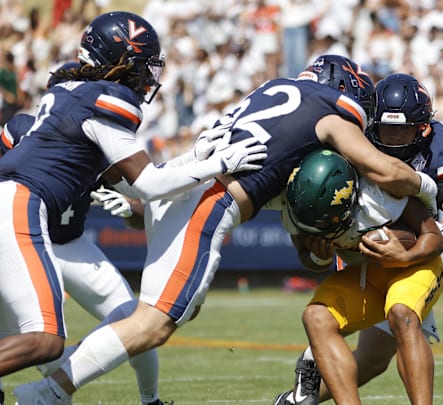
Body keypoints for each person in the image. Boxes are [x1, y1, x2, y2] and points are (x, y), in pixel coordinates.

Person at [14, 54, 438, 403]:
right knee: (154, 323)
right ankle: (50, 390)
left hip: (187, 182)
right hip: (212, 199)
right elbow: (382, 169)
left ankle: (58, 375)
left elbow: (293, 217)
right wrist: (426, 186)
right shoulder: (331, 111)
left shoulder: (273, 91)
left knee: (175, 312)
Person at [1, 10, 266, 402]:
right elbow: (149, 184)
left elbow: (133, 181)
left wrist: (191, 161)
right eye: (142, 65)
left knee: (42, 339)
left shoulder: (72, 94)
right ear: (117, 62)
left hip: (26, 210)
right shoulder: (105, 102)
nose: (147, 77)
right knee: (44, 341)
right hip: (20, 206)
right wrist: (217, 164)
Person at [274, 72, 443, 404]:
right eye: (387, 128)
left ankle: (307, 380)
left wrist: (411, 251)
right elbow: (307, 253)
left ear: (422, 127)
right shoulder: (344, 147)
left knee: (385, 340)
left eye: (403, 129)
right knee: (354, 345)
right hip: (360, 256)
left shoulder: (434, 152)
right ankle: (300, 396)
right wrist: (320, 254)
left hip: (411, 253)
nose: (394, 138)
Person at [0, 112, 169, 405]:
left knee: (136, 320)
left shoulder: (102, 149)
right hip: (17, 241)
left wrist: (130, 209)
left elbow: (145, 209)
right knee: (35, 342)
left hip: (70, 246)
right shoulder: (23, 130)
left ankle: (150, 400)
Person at [277, 147, 443, 405]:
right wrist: (320, 258)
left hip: (413, 267)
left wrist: (404, 257)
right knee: (316, 317)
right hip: (366, 273)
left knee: (401, 314)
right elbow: (306, 257)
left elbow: (434, 238)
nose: (322, 231)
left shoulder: (380, 196)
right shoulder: (295, 204)